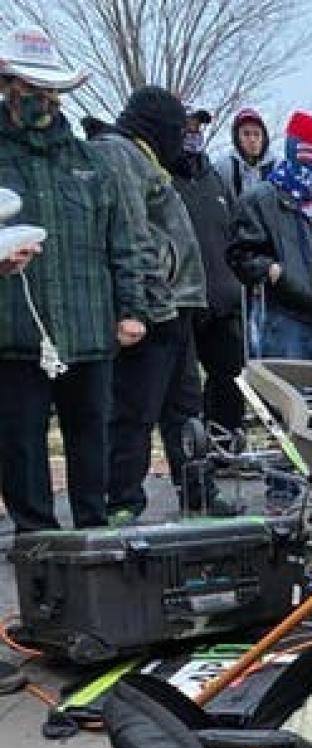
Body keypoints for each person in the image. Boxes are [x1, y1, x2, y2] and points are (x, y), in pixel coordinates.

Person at [0, 27, 151, 533]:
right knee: (21, 450)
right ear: (7, 86)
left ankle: (94, 540)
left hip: (89, 332)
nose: (39, 98)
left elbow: (124, 243)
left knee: (92, 444)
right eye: (28, 87)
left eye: (48, 89)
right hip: (14, 335)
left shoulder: (92, 163)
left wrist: (132, 309)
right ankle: (36, 546)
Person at [91, 86, 215, 521]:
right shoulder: (119, 154)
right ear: (157, 126)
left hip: (177, 305)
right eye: (178, 129)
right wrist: (147, 304)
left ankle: (198, 496)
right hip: (153, 308)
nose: (184, 139)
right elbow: (131, 232)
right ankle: (122, 501)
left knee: (185, 410)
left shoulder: (149, 161)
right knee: (135, 410)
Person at [228, 110, 312, 365]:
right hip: (286, 319)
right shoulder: (260, 200)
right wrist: (274, 272)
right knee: (287, 390)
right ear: (300, 148)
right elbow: (241, 253)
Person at [171, 108, 245, 436]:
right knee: (183, 391)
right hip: (182, 302)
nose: (193, 134)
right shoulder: (162, 179)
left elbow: (235, 233)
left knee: (230, 381)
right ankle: (189, 452)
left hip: (223, 302)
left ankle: (226, 446)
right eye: (186, 128)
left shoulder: (215, 178)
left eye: (197, 128)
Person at [216, 108, 277, 206]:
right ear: (237, 138)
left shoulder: (276, 168)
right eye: (246, 134)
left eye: (256, 134)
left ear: (264, 137)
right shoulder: (224, 167)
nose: (252, 139)